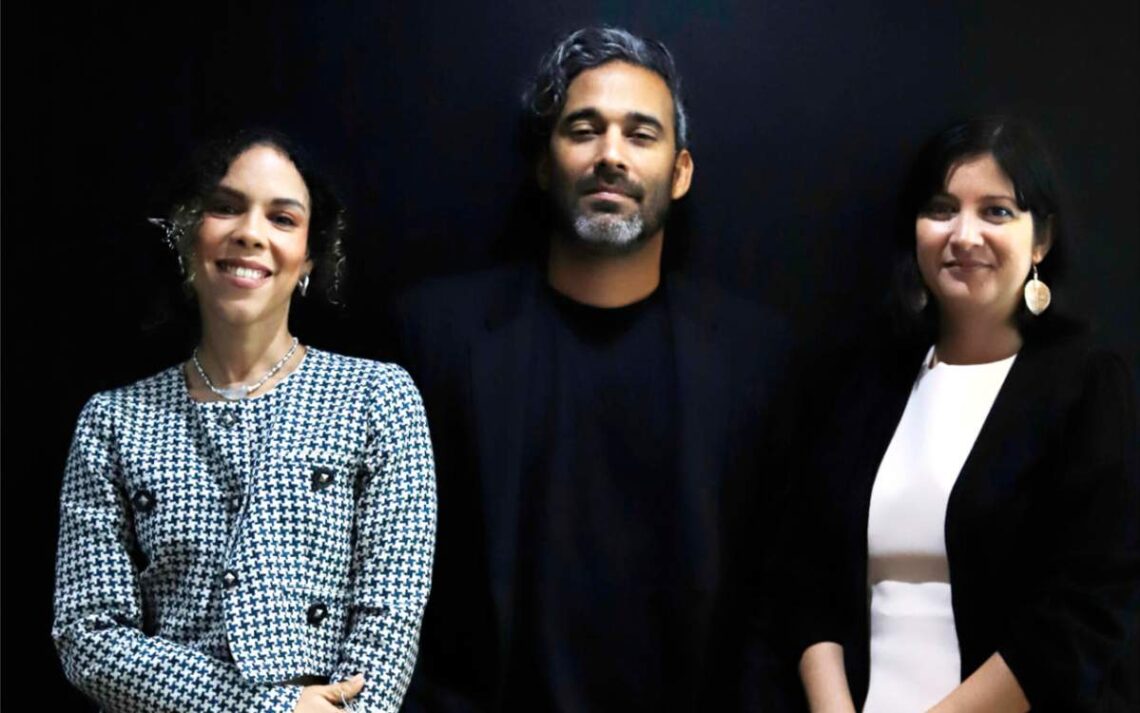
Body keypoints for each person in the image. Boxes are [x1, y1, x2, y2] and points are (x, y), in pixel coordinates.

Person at [389, 26, 795, 712]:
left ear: (681, 170)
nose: (611, 155)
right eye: (584, 129)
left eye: (641, 134)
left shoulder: (755, 359)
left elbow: (778, 593)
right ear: (546, 164)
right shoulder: (435, 339)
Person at [52, 131, 437, 712]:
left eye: (282, 218)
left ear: (310, 255)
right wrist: (266, 709)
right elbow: (87, 636)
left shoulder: (377, 398)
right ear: (187, 233)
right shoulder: (113, 423)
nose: (250, 233)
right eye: (226, 207)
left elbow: (392, 608)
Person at [787, 117, 1139, 712]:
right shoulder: (862, 386)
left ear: (1041, 240)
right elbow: (805, 579)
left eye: (997, 211)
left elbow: (1086, 611)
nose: (964, 234)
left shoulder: (1086, 383)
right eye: (942, 209)